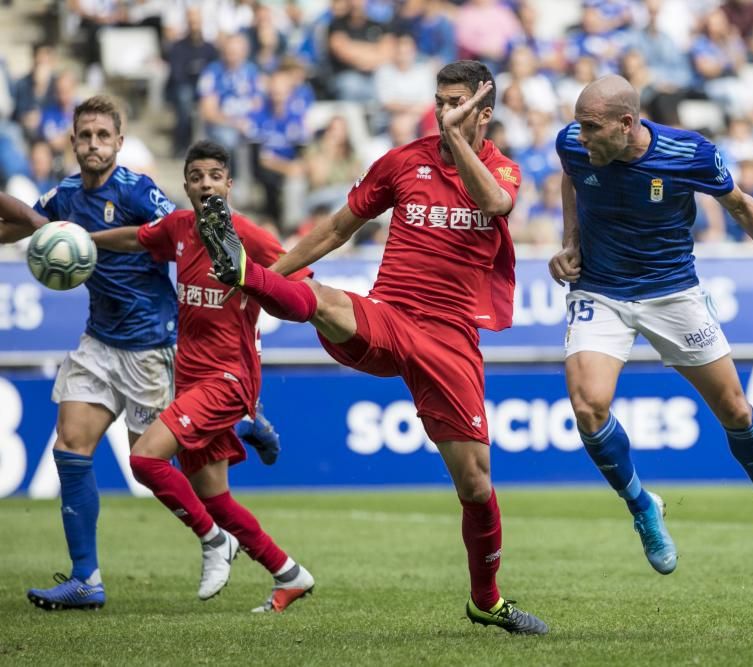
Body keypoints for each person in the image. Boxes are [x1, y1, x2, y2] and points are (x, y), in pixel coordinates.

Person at [196, 60, 548, 635]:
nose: (443, 110)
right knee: (328, 301)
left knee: (477, 485)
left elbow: (497, 207)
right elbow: (337, 229)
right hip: (390, 315)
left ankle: (486, 600)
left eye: (456, 102)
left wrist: (458, 141)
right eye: (439, 100)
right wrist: (266, 280)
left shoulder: (502, 169)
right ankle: (247, 278)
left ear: (484, 112)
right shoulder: (402, 162)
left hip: (451, 339)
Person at [548, 76, 753, 575]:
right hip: (600, 290)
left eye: (591, 128)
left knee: (734, 408)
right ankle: (643, 506)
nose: (580, 137)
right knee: (588, 408)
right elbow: (570, 175)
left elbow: (742, 205)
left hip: (673, 292)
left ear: (627, 124)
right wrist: (570, 241)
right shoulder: (573, 144)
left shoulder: (688, 152)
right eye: (578, 127)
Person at [0, 96, 276, 612]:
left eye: (104, 136)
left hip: (153, 347)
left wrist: (86, 240)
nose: (93, 145)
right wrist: (50, 233)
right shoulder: (63, 195)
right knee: (70, 447)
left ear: (120, 143)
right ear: (73, 141)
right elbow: (27, 224)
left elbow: (181, 237)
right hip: (99, 342)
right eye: (85, 136)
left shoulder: (140, 191)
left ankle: (240, 430)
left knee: (163, 467)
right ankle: (86, 578)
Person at [89, 140, 314, 612]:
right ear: (187, 184)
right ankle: (289, 574)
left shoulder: (249, 236)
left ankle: (214, 542)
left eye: (215, 175)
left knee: (145, 460)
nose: (206, 183)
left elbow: (301, 280)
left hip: (229, 379)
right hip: (189, 377)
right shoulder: (179, 228)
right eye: (196, 176)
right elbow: (137, 238)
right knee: (215, 498)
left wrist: (260, 286)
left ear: (229, 184)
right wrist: (85, 241)